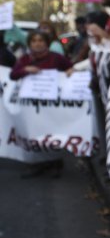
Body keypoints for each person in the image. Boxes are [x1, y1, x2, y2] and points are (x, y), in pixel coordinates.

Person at [11, 32, 75, 178]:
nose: (37, 43)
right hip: (31, 106)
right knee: (34, 134)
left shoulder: (56, 58)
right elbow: (13, 75)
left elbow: (70, 68)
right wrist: (25, 70)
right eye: (34, 41)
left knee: (52, 133)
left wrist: (71, 71)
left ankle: (55, 163)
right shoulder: (25, 59)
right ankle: (38, 164)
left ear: (47, 43)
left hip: (52, 105)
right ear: (29, 43)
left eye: (41, 40)